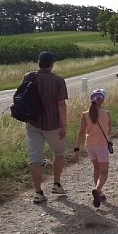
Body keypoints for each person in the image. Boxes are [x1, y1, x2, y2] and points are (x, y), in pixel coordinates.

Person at [26, 51, 69, 204]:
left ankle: (38, 193)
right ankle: (56, 184)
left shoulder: (29, 77)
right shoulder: (58, 80)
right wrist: (64, 125)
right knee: (58, 152)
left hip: (33, 123)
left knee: (35, 159)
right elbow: (61, 104)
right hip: (52, 124)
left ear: (39, 63)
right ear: (52, 64)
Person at [73, 89, 112, 208]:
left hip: (90, 146)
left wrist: (76, 148)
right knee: (104, 172)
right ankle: (97, 189)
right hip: (102, 146)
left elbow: (81, 133)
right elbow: (109, 130)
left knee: (96, 169)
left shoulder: (85, 115)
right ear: (102, 100)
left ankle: (99, 193)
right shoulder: (106, 114)